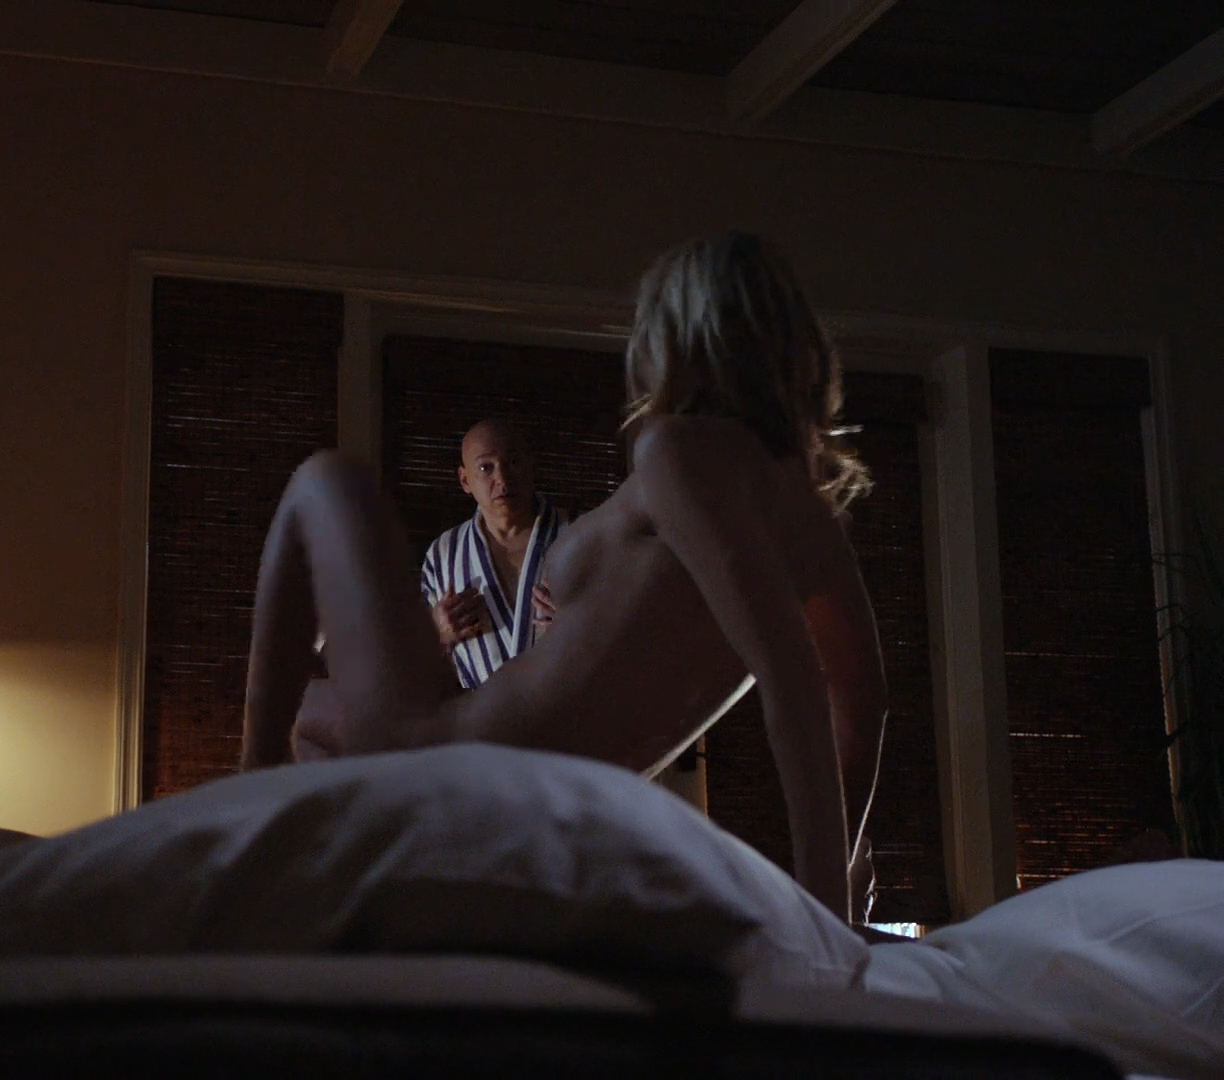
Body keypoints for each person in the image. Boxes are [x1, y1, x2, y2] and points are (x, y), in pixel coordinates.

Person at [241, 230, 888, 921]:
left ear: (673, 338)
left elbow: (792, 680)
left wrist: (823, 918)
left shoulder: (676, 451)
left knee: (325, 485)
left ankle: (251, 809)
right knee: (316, 722)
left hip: (467, 764)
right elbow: (859, 706)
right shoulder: (814, 516)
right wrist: (835, 893)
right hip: (540, 799)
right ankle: (315, 852)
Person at [422, 419, 571, 688]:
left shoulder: (578, 536)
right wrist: (437, 634)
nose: (502, 479)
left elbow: (627, 631)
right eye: (485, 467)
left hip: (569, 706)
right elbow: (414, 662)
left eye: (513, 462)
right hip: (480, 712)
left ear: (531, 466)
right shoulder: (443, 554)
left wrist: (583, 627)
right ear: (465, 480)